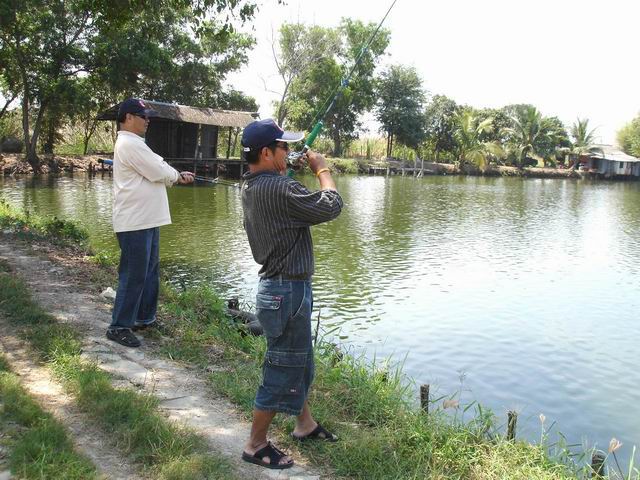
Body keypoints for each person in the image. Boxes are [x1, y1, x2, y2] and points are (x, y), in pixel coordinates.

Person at [240, 118, 343, 470]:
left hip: (280, 290)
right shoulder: (281, 190)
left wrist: (287, 167)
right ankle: (256, 444)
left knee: (298, 362)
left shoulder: (253, 184)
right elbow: (331, 204)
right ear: (267, 153)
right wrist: (321, 168)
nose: (289, 151)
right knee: (282, 369)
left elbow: (282, 191)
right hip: (287, 291)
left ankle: (305, 424)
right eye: (283, 147)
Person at [107, 98, 194, 348]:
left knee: (150, 272)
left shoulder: (138, 144)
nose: (147, 120)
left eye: (148, 116)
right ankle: (119, 326)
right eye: (142, 116)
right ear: (127, 118)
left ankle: (144, 319)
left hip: (147, 219)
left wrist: (176, 174)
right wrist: (177, 177)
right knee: (133, 275)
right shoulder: (128, 142)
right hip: (134, 222)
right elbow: (157, 171)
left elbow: (159, 165)